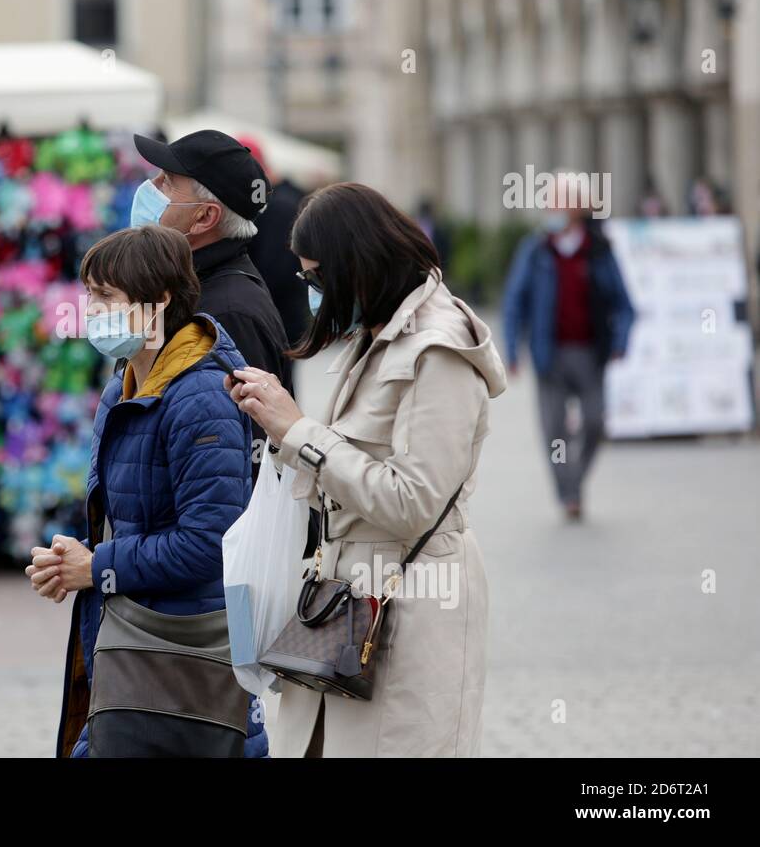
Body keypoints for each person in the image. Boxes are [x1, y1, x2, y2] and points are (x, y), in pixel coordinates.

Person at [225, 182, 505, 757]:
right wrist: (281, 429)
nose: (314, 293)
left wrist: (299, 431)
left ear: (360, 265)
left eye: (318, 279)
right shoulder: (378, 332)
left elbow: (412, 501)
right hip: (344, 596)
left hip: (414, 598)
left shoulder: (438, 350)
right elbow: (339, 465)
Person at [26, 225, 265, 758]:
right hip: (132, 647)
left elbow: (210, 542)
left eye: (106, 297)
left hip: (186, 658)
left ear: (157, 302)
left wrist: (98, 566)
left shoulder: (202, 396)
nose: (91, 309)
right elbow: (126, 516)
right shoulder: (124, 384)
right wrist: (73, 560)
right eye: (89, 294)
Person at [130, 129, 293, 459]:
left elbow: (247, 459)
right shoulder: (186, 285)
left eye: (168, 181)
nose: (151, 187)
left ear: (204, 216)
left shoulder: (230, 311)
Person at [502, 170, 635, 520]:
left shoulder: (599, 249)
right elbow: (514, 301)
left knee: (595, 421)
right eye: (550, 201)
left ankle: (573, 482)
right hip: (550, 353)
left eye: (559, 200)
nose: (551, 207)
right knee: (555, 430)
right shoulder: (536, 250)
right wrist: (512, 351)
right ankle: (569, 493)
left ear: (579, 207)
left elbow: (624, 303)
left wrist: (621, 341)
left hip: (590, 352)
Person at [242, 136, 313, 348]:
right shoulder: (278, 199)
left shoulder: (279, 205)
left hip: (279, 316)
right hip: (279, 313)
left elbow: (276, 269)